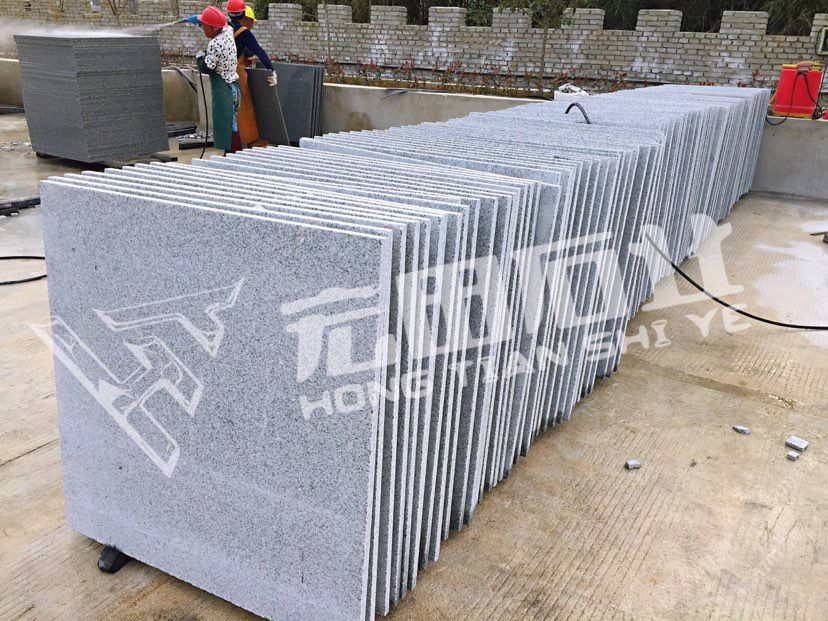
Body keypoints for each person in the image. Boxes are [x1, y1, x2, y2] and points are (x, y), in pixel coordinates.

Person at [226, 0, 277, 147]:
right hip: (236, 74)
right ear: (244, 15)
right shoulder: (243, 32)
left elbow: (236, 50)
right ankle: (249, 140)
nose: (252, 25)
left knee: (228, 107)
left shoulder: (225, 28)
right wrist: (271, 70)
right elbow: (258, 51)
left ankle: (231, 141)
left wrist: (246, 57)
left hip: (222, 73)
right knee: (244, 106)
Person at [193, 6, 241, 153]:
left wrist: (200, 58)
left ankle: (232, 156)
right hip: (234, 88)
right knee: (232, 123)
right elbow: (227, 24)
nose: (202, 28)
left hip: (224, 91)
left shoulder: (214, 43)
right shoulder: (228, 32)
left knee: (226, 125)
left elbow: (207, 67)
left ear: (213, 28)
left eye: (204, 26)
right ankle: (233, 154)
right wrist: (205, 20)